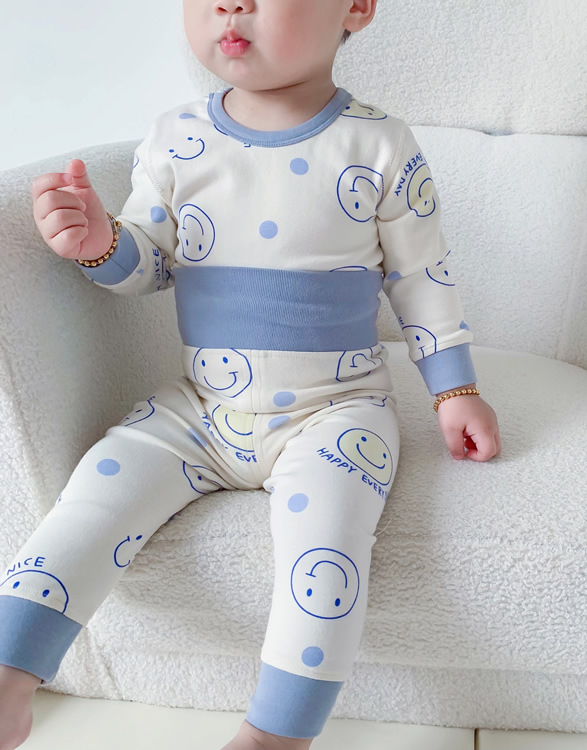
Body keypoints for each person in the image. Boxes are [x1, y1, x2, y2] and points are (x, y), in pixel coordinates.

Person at [0, 0, 502, 747]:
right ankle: (9, 678)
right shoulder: (177, 138)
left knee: (326, 550)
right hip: (201, 408)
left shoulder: (378, 143)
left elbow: (422, 277)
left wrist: (455, 389)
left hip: (338, 411)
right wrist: (100, 243)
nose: (232, 5)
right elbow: (151, 265)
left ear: (355, 8)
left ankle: (273, 735)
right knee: (91, 499)